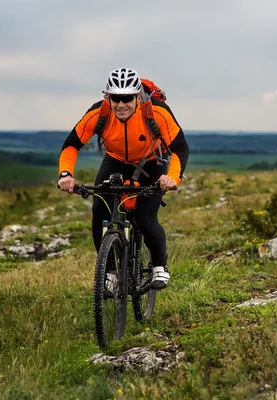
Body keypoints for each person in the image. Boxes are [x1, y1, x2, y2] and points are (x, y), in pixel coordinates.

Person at [57, 67, 189, 289]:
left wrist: (172, 177)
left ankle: (159, 267)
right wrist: (66, 174)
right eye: (115, 98)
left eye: (126, 98)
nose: (120, 104)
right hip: (115, 160)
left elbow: (180, 148)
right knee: (100, 210)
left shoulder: (157, 112)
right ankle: (108, 273)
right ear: (108, 96)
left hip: (151, 161)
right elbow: (72, 144)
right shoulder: (99, 113)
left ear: (138, 96)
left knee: (145, 218)